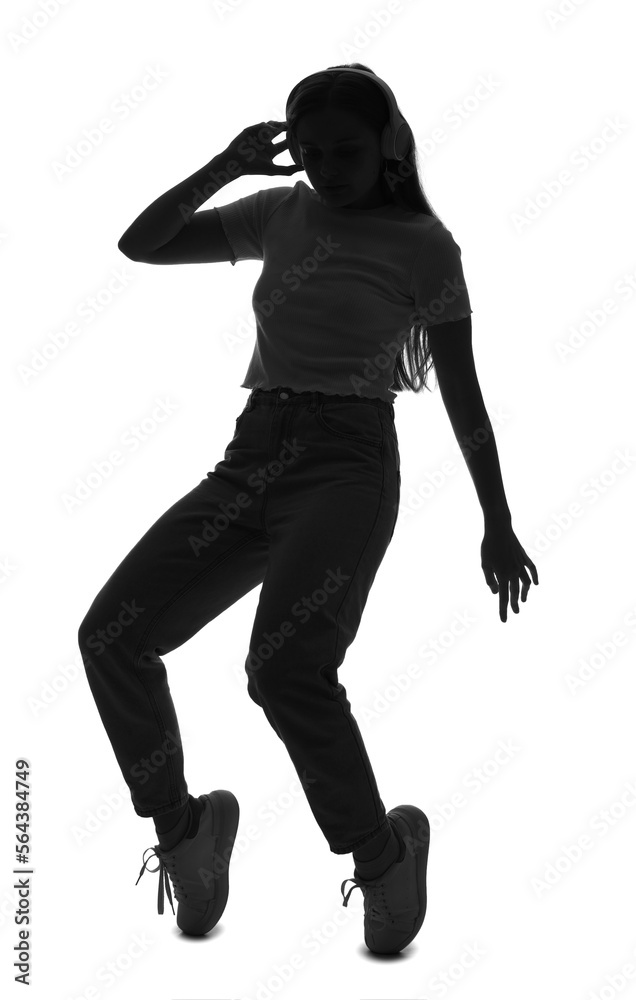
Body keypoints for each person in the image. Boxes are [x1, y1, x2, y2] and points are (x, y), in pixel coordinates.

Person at [77, 62, 538, 956]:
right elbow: (144, 244)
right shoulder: (281, 214)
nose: (330, 168)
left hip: (347, 465)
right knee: (112, 636)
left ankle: (383, 852)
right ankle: (185, 832)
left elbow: (465, 397)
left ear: (389, 145)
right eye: (314, 151)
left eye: (349, 151)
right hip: (253, 455)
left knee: (284, 669)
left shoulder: (425, 247)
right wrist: (226, 165)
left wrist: (499, 519)